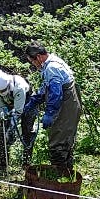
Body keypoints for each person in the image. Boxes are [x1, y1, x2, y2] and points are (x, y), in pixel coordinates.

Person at [22, 43, 81, 177]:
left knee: (58, 142)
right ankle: (67, 173)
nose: (33, 65)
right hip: (68, 103)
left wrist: (49, 113)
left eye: (32, 62)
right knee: (64, 140)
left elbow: (55, 93)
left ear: (38, 57)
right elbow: (47, 87)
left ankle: (58, 177)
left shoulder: (51, 68)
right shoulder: (53, 62)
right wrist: (35, 100)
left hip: (67, 105)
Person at [0, 69, 39, 169]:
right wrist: (3, 115)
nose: (1, 93)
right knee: (2, 133)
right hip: (8, 105)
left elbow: (18, 111)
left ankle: (26, 164)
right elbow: (0, 106)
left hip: (27, 102)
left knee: (27, 132)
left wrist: (11, 128)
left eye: (3, 90)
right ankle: (3, 166)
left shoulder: (19, 86)